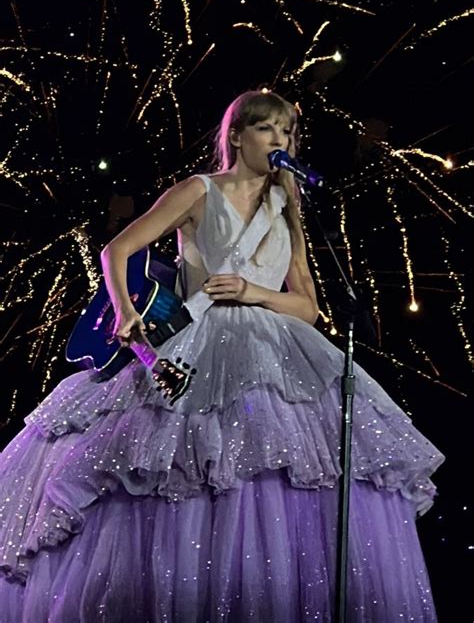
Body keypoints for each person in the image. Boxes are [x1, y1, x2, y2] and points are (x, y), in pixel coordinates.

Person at [0, 90, 444, 622]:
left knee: (280, 469)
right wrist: (125, 312)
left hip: (275, 347)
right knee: (178, 468)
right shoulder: (198, 191)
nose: (280, 140)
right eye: (267, 129)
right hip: (197, 337)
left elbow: (307, 306)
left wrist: (257, 292)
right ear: (237, 136)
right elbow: (117, 249)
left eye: (286, 131)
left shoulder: (288, 206)